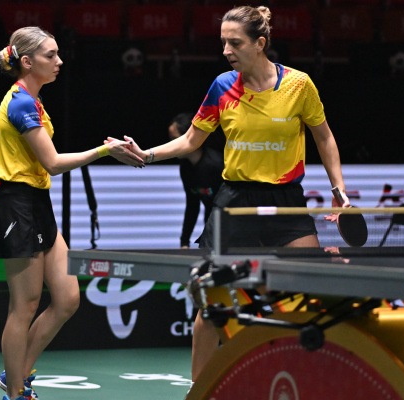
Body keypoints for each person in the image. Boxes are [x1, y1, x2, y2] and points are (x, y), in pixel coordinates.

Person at [119, 6, 351, 383]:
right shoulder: (222, 86)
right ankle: (199, 389)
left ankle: (307, 380)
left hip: (286, 202)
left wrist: (338, 189)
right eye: (223, 42)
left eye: (235, 43)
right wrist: (146, 155)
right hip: (236, 203)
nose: (226, 50)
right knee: (212, 304)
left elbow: (323, 137)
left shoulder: (299, 85)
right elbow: (191, 139)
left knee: (309, 289)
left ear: (260, 44)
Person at [0, 27, 144, 400]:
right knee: (24, 306)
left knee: (68, 297)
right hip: (17, 207)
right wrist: (104, 151)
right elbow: (52, 163)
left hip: (38, 203)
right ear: (27, 62)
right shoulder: (20, 103)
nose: (59, 61)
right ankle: (16, 393)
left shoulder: (34, 100)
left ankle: (16, 374)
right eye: (50, 55)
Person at [168, 113, 224, 248]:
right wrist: (184, 242)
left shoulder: (218, 165)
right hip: (211, 226)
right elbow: (193, 205)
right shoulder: (186, 168)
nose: (171, 145)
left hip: (230, 228)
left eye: (175, 139)